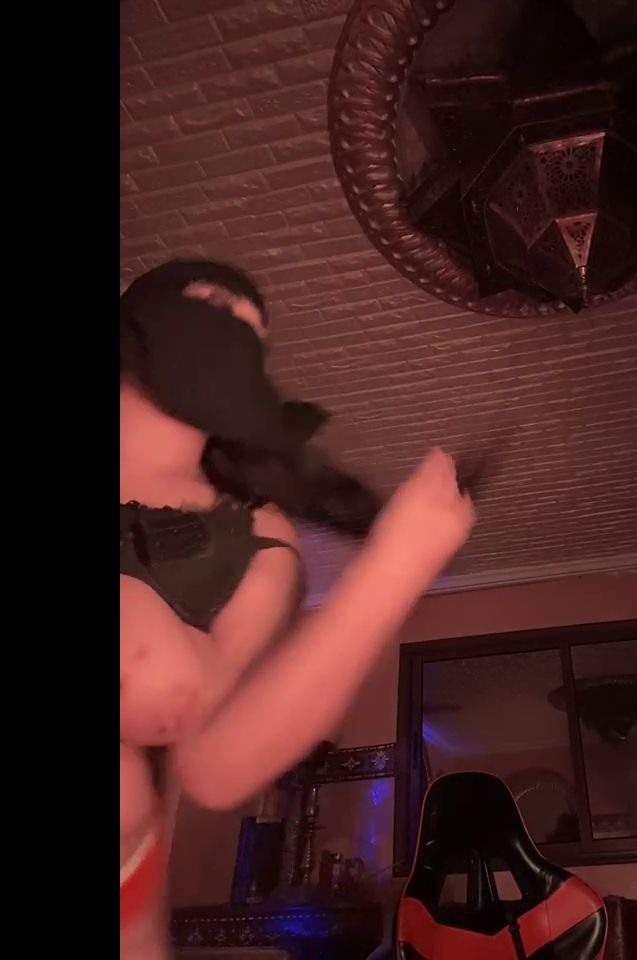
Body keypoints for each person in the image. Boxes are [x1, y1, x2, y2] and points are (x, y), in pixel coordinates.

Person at [120, 260, 475, 959]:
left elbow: (217, 767)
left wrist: (394, 568)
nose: (237, 334)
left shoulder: (250, 537)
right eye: (215, 303)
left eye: (255, 336)